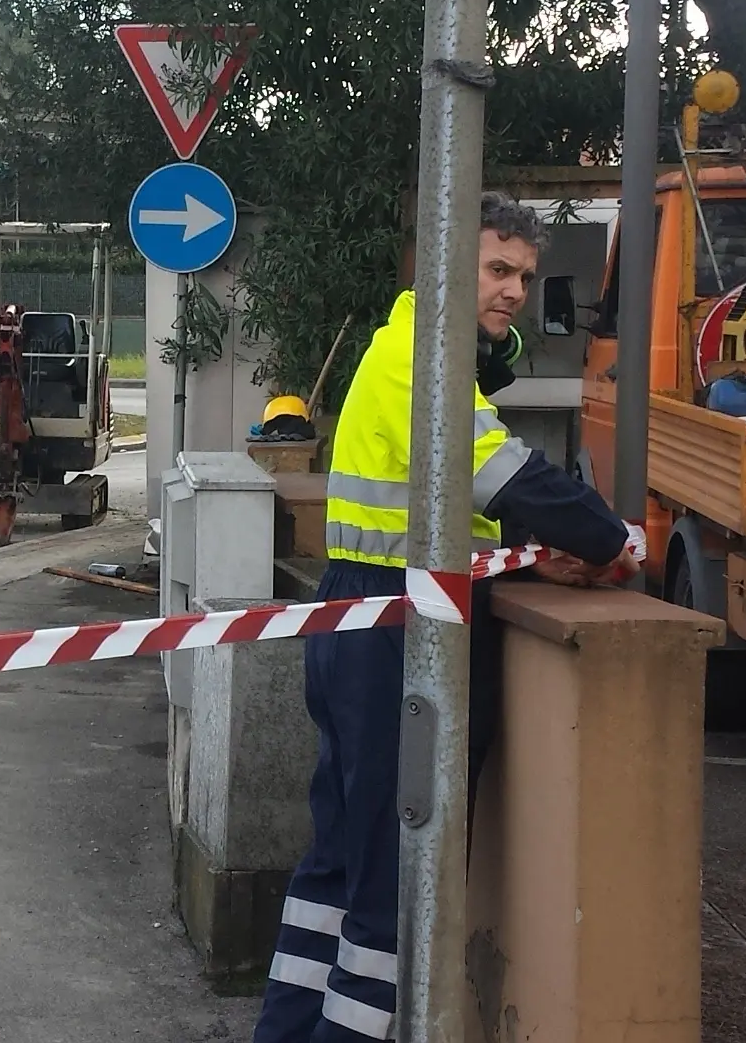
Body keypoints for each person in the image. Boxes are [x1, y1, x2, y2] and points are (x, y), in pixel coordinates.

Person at [250, 192, 636, 1043]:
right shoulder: (420, 358)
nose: (512, 292)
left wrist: (532, 550)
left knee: (337, 869)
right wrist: (614, 539)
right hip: (396, 635)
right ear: (445, 269)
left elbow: (461, 506)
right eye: (497, 270)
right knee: (391, 894)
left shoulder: (414, 352)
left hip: (362, 618)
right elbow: (505, 476)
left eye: (524, 278)